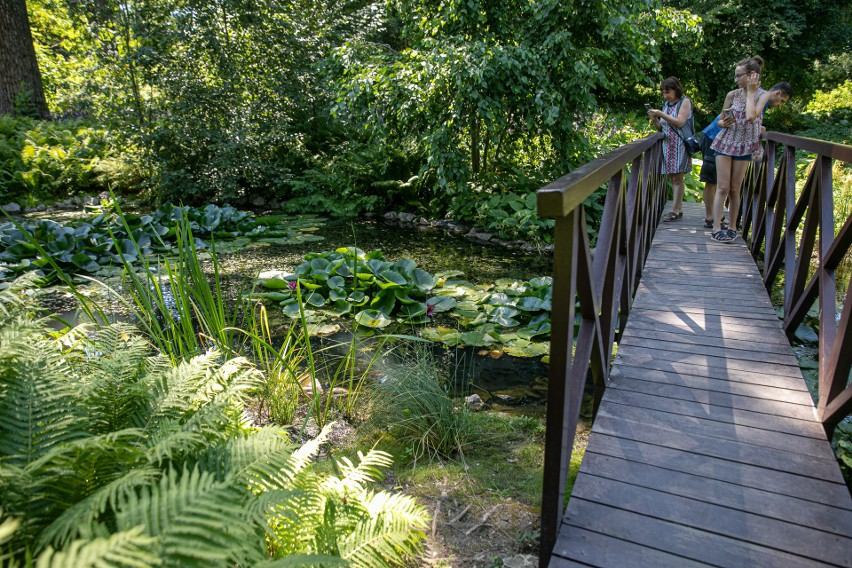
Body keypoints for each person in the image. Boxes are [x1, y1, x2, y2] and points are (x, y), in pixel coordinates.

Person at [699, 81, 792, 229]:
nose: (779, 105)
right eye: (781, 101)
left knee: (722, 184)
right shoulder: (757, 95)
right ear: (777, 93)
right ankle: (711, 218)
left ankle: (719, 219)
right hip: (714, 137)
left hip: (728, 143)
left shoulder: (761, 99)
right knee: (712, 181)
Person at [709, 56, 775, 243]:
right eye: (735, 76)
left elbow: (751, 117)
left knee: (735, 189)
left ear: (752, 75)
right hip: (726, 141)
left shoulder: (763, 95)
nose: (736, 80)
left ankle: (731, 227)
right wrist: (725, 122)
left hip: (745, 144)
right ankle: (716, 227)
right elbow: (720, 122)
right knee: (722, 187)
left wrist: (750, 93)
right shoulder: (732, 94)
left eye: (739, 76)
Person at [647, 77, 695, 222]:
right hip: (667, 145)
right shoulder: (666, 105)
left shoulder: (684, 101)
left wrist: (660, 114)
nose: (665, 95)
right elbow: (662, 128)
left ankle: (674, 210)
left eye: (668, 92)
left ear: (676, 90)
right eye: (663, 93)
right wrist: (655, 119)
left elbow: (680, 122)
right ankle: (678, 207)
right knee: (672, 177)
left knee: (677, 178)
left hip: (680, 144)